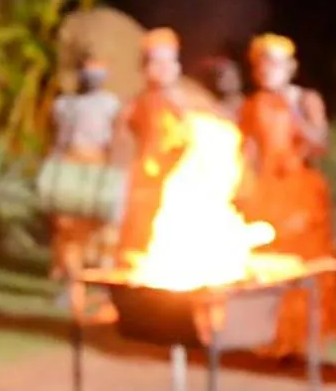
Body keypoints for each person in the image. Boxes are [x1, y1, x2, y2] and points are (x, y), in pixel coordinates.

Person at [237, 34, 336, 362]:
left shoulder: (305, 99)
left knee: (303, 264)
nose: (266, 69)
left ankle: (302, 339)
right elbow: (247, 149)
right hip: (268, 191)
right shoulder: (253, 104)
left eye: (273, 62)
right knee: (269, 261)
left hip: (300, 189)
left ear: (290, 67)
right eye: (261, 63)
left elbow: (321, 144)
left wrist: (293, 113)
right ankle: (272, 335)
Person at [48, 56, 122, 322]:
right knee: (68, 230)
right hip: (71, 167)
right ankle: (72, 288)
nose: (92, 79)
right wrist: (53, 171)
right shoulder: (65, 105)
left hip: (98, 167)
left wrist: (113, 172)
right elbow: (59, 140)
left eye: (98, 74)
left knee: (105, 231)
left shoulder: (110, 104)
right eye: (88, 74)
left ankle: (107, 293)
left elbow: (115, 139)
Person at [115, 28, 194, 262]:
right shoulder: (136, 103)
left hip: (178, 181)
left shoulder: (187, 103)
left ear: (178, 66)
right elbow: (120, 138)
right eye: (155, 63)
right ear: (144, 69)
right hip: (143, 179)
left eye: (168, 62)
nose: (163, 69)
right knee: (137, 232)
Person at [195, 55, 245, 122]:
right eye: (219, 75)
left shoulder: (245, 105)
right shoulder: (205, 101)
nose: (221, 79)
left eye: (228, 75)